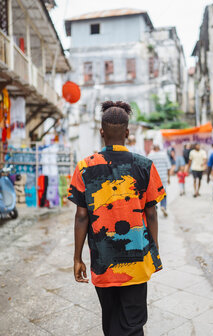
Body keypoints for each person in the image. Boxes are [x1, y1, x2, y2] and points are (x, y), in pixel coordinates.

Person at [68, 101, 166, 336]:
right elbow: (151, 213)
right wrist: (154, 247)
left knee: (110, 320)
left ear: (102, 132)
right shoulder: (144, 166)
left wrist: (77, 257)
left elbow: (81, 217)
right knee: (133, 323)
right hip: (137, 257)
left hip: (103, 261)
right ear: (127, 132)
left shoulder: (84, 167)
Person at [148, 143, 171, 217]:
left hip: (154, 178)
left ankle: (155, 207)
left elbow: (147, 168)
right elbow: (168, 167)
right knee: (163, 192)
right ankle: (163, 206)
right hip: (163, 177)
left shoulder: (150, 155)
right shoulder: (164, 155)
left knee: (154, 193)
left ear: (153, 148)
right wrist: (168, 178)